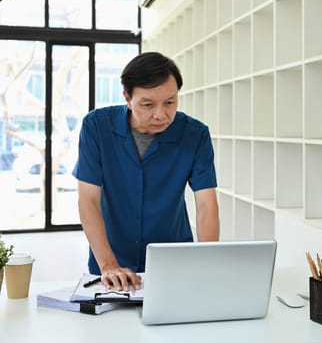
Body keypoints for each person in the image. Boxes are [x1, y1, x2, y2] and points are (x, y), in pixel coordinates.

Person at [73, 52, 219, 291]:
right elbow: (88, 200)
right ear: (128, 98)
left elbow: (206, 205)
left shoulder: (195, 134)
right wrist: (109, 264)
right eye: (148, 104)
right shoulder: (97, 127)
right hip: (112, 263)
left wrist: (208, 263)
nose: (160, 114)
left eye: (170, 102)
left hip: (174, 261)